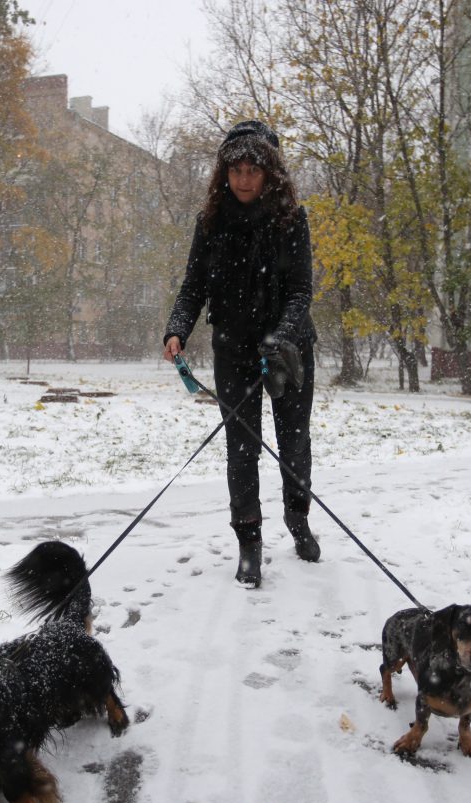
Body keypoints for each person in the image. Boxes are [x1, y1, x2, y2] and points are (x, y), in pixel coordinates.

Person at [162, 119, 319, 588]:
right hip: (233, 350)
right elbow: (193, 287)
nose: (244, 179)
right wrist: (177, 329)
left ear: (271, 173)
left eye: (254, 169)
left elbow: (300, 292)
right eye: (236, 170)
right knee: (241, 451)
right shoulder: (210, 223)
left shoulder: (292, 220)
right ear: (223, 173)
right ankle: (249, 542)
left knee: (293, 443)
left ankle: (298, 520)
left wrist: (281, 339)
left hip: (288, 351)